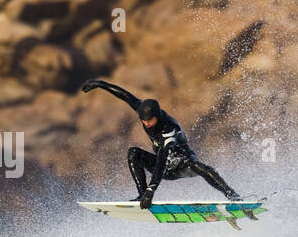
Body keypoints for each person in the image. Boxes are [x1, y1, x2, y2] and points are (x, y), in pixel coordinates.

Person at [82, 79, 240, 208]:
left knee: (200, 167)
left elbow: (162, 160)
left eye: (149, 120)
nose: (147, 123)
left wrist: (152, 190)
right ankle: (141, 196)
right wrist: (100, 84)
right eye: (143, 120)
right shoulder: (143, 110)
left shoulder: (169, 128)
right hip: (163, 168)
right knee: (134, 153)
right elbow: (125, 95)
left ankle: (232, 195)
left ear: (157, 116)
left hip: (183, 165)